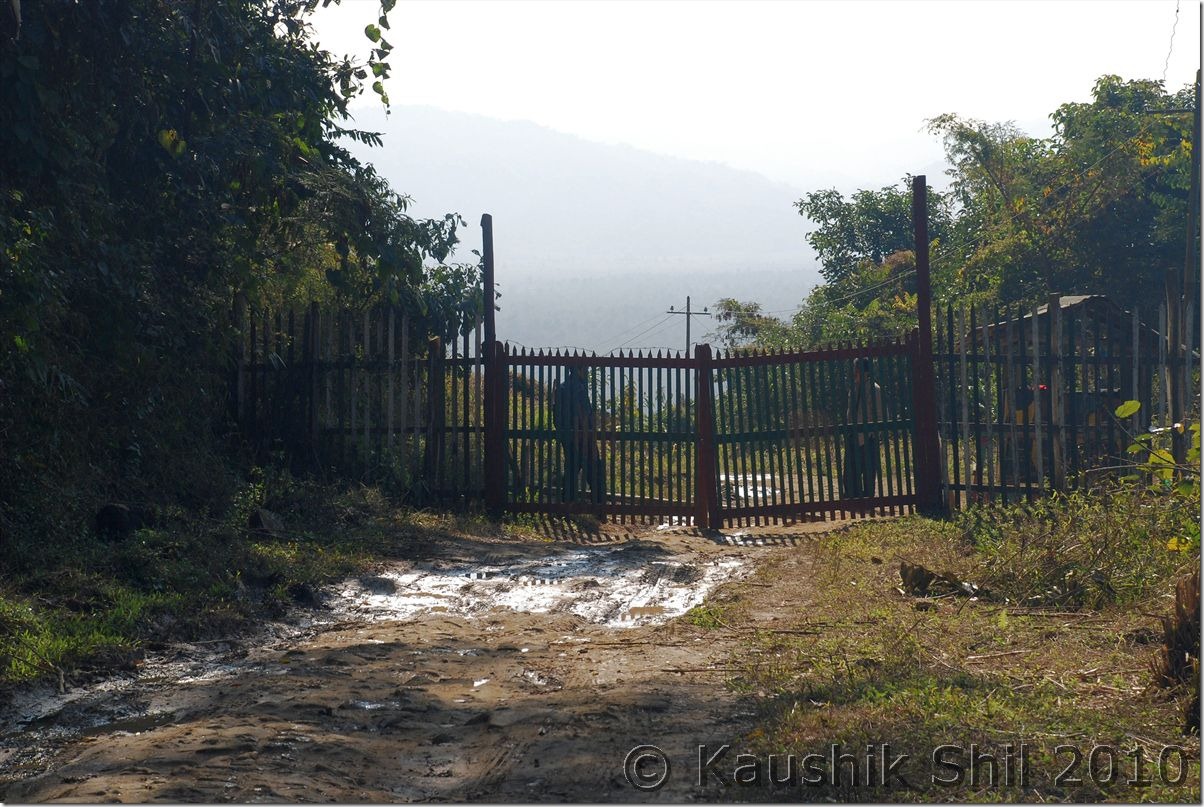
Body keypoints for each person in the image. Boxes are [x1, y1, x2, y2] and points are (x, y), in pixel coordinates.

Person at [552, 366, 605, 504]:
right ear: (579, 370)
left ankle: (567, 503)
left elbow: (556, 416)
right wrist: (589, 432)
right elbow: (584, 413)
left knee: (571, 468)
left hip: (567, 436)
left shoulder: (562, 388)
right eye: (585, 369)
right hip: (583, 436)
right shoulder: (579, 388)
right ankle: (599, 505)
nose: (587, 372)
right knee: (594, 469)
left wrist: (564, 432)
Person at [842, 357, 883, 499]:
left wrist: (871, 434)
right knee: (850, 472)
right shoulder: (854, 388)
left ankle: (867, 499)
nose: (854, 372)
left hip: (867, 437)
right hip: (853, 436)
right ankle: (852, 497)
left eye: (856, 369)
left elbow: (879, 415)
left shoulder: (875, 389)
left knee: (868, 471)